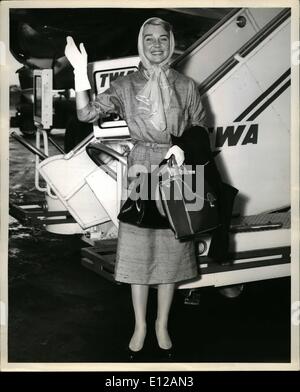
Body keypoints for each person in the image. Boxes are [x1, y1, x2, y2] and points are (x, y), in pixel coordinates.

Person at [65, 17, 206, 357]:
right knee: (140, 251)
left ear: (171, 42)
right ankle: (140, 324)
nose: (156, 44)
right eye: (149, 38)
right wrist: (80, 72)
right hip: (142, 166)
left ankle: (162, 324)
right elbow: (86, 115)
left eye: (162, 38)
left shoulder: (186, 85)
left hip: (178, 169)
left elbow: (201, 126)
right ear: (141, 43)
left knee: (172, 250)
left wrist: (184, 146)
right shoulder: (126, 85)